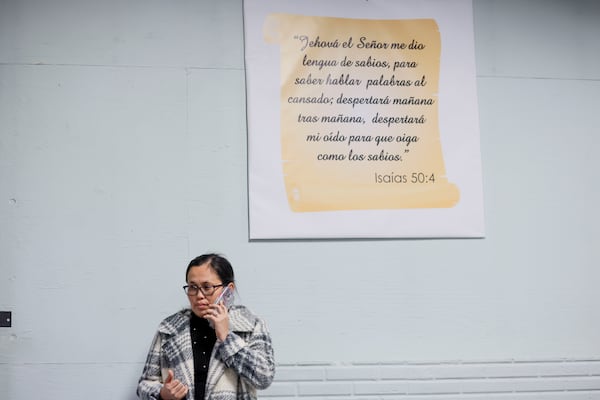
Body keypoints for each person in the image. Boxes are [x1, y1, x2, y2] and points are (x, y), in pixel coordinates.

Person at [137, 253, 275, 400]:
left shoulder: (250, 325)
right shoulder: (169, 329)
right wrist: (162, 393)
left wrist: (227, 337)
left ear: (228, 290)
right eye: (192, 287)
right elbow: (145, 383)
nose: (199, 295)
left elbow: (264, 378)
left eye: (207, 287)